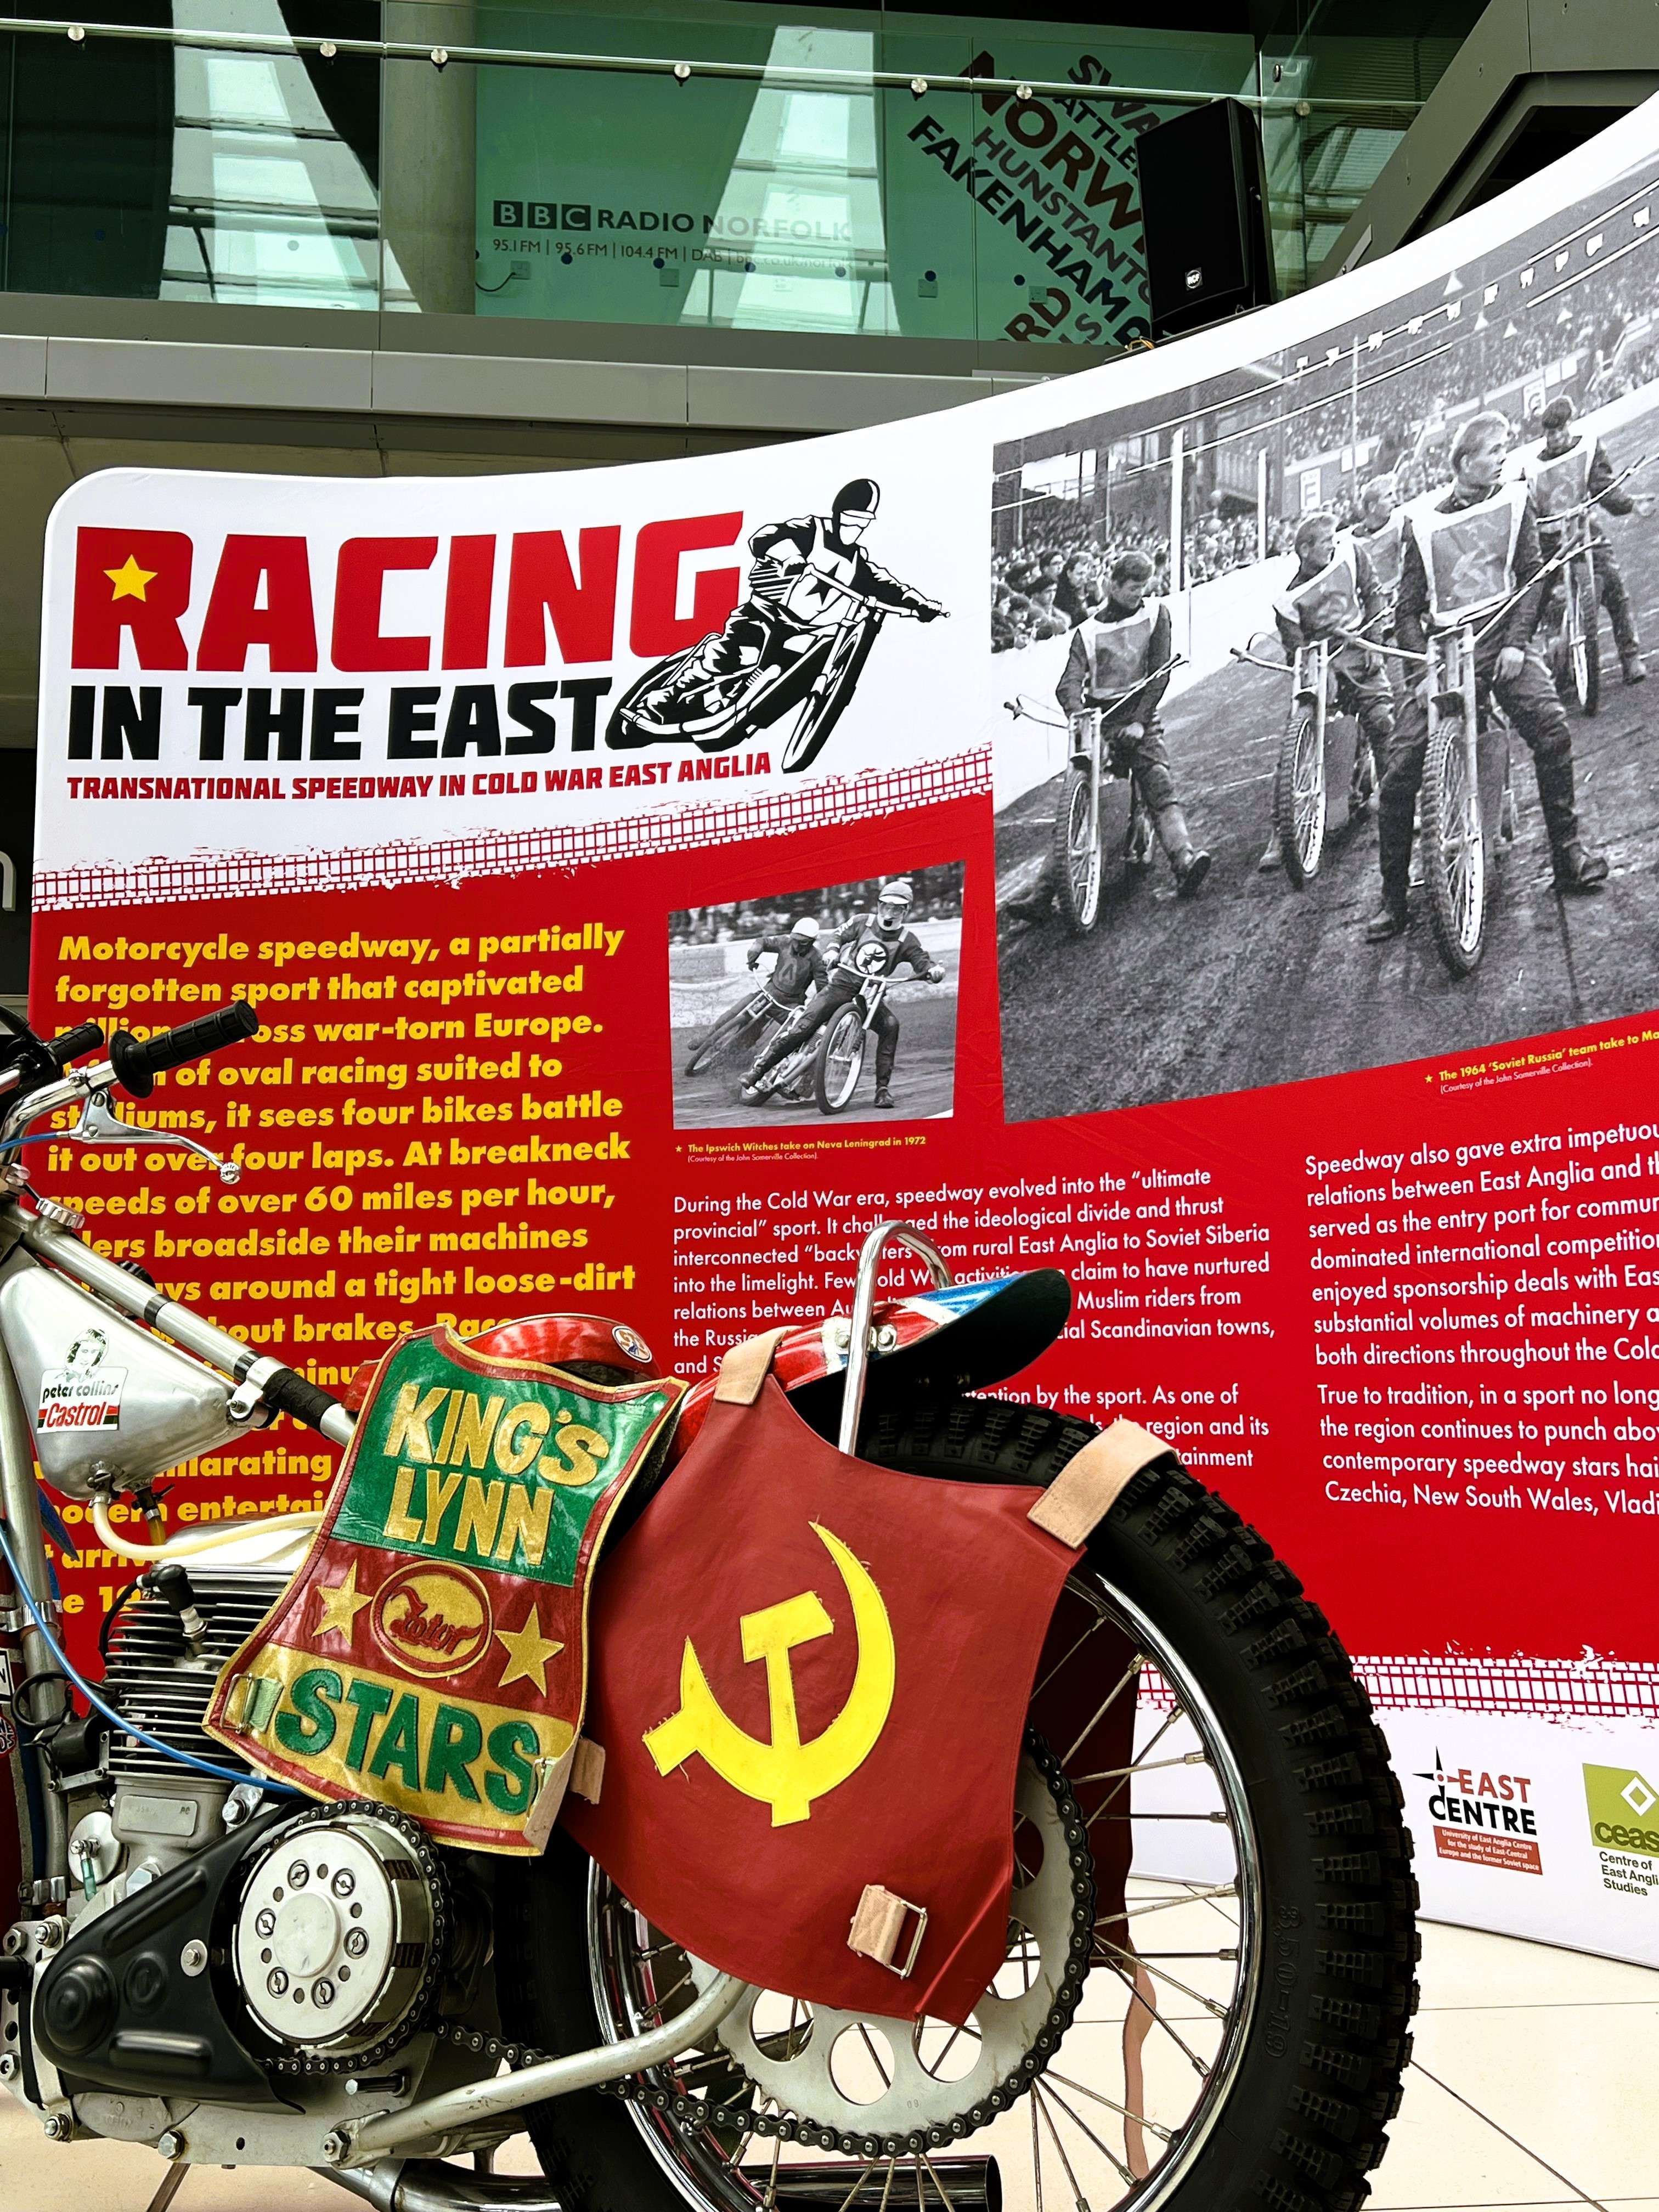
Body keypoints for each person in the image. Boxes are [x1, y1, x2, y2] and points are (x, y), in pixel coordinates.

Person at [1367, 410, 1607, 943]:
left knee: (1551, 729)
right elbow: (1407, 610)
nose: (1503, 456)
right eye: (1493, 450)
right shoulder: (1422, 524)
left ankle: (1569, 855)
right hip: (1445, 655)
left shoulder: (1516, 500)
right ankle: (1392, 897)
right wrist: (1420, 674)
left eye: (1504, 448)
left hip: (1503, 643)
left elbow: (1532, 577)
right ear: (1463, 460)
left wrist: (1519, 644)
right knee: (1400, 771)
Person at [641, 478, 945, 721]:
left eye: (865, 522)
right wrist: (790, 556)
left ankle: (738, 703)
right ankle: (661, 699)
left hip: (801, 630)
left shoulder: (858, 560)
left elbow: (885, 584)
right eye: (853, 519)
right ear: (839, 514)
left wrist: (918, 604)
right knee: (733, 654)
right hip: (766, 611)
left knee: (787, 670)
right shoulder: (811, 529)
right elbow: (764, 538)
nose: (858, 527)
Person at [1054, 549, 1211, 896]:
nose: (1138, 594)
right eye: (1131, 588)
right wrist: (1077, 714)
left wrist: (1140, 722)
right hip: (1100, 719)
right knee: (1075, 800)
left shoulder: (1157, 615)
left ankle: (1184, 860)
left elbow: (1159, 674)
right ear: (1111, 584)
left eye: (1143, 587)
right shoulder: (1087, 632)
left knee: (1158, 779)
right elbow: (1068, 683)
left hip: (1140, 715)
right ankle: (1043, 892)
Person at [1256, 513, 1397, 871]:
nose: (1333, 544)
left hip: (1360, 651)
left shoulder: (1352, 554)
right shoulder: (1287, 600)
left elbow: (1374, 594)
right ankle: (1282, 830)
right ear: (1305, 550)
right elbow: (1295, 648)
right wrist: (1320, 670)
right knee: (1297, 737)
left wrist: (1374, 640)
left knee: (1382, 721)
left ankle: (1398, 808)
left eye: (1334, 538)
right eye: (1325, 542)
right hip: (1321, 665)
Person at [742, 879, 944, 1110]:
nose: (890, 912)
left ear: (906, 910)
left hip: (871, 995)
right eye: (886, 906)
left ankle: (882, 1090)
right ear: (879, 905)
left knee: (890, 1025)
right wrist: (832, 950)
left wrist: (932, 971)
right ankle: (758, 1071)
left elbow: (922, 961)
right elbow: (839, 935)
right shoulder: (862, 922)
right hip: (842, 985)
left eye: (897, 908)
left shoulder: (907, 939)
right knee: (804, 1027)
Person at [1523, 393, 1654, 683]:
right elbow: (1526, 509)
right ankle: (1550, 661)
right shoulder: (1532, 468)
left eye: (1560, 430)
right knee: (1536, 602)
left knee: (1614, 586)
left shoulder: (1588, 448)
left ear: (1570, 425)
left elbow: (1603, 488)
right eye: (1550, 433)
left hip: (1584, 531)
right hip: (1549, 541)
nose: (1556, 438)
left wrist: (1631, 505)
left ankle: (1630, 657)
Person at [744, 915, 828, 1012]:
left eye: (803, 942)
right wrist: (753, 954)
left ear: (812, 941)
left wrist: (817, 1005)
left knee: (792, 1025)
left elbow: (822, 988)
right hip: (771, 990)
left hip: (792, 1002)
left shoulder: (817, 959)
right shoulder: (785, 942)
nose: (796, 945)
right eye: (795, 940)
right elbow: (763, 942)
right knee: (748, 1007)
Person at [1352, 474, 1407, 620]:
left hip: (1401, 595)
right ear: (1372, 507)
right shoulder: (1353, 541)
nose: (1395, 500)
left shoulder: (1401, 523)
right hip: (1372, 604)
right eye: (1388, 496)